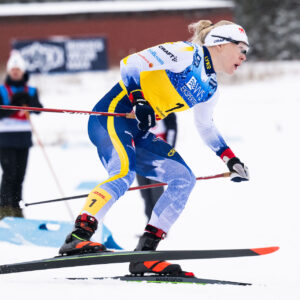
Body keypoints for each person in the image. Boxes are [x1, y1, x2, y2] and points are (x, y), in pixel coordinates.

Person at [59, 20, 250, 276]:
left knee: (183, 179)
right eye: (241, 48)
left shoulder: (211, 88)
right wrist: (138, 99)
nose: (244, 57)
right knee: (123, 173)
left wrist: (229, 158)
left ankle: (146, 254)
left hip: (137, 131)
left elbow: (205, 126)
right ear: (220, 43)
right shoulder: (186, 54)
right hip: (112, 116)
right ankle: (78, 236)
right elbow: (130, 63)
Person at [0, 51, 43, 219]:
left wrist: (31, 104)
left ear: (23, 71)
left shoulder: (31, 90)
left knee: (19, 174)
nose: (16, 72)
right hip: (5, 138)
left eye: (18, 69)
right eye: (13, 69)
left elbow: (38, 109)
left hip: (23, 137)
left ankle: (17, 208)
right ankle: (4, 208)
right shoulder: (2, 90)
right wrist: (13, 105)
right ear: (9, 71)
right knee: (9, 173)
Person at [136, 113, 177, 222]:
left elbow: (172, 134)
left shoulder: (167, 112)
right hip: (140, 158)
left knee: (156, 193)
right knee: (145, 194)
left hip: (158, 159)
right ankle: (150, 224)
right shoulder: (138, 110)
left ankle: (159, 225)